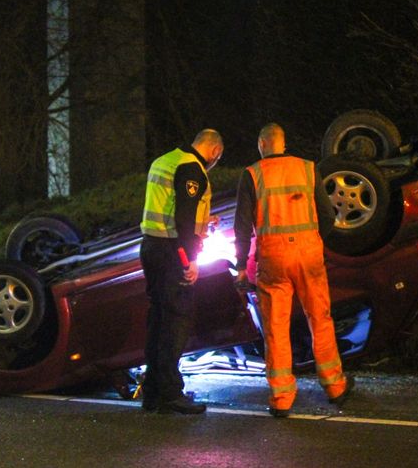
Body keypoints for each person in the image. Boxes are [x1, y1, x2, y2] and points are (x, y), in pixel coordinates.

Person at [234, 122, 353, 417]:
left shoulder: (253, 174)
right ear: (283, 144)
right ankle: (335, 385)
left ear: (262, 145)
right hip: (308, 254)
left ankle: (281, 397)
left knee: (276, 327)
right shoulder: (308, 168)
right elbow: (327, 214)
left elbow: (241, 226)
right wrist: (316, 241)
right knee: (320, 318)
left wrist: (240, 265)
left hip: (274, 258)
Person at [139, 128, 224, 414]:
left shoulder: (165, 160)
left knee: (158, 318)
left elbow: (172, 206)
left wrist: (205, 219)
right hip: (171, 252)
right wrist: (191, 259)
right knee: (177, 320)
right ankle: (170, 393)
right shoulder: (192, 169)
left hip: (150, 246)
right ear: (214, 151)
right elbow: (184, 218)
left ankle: (151, 392)